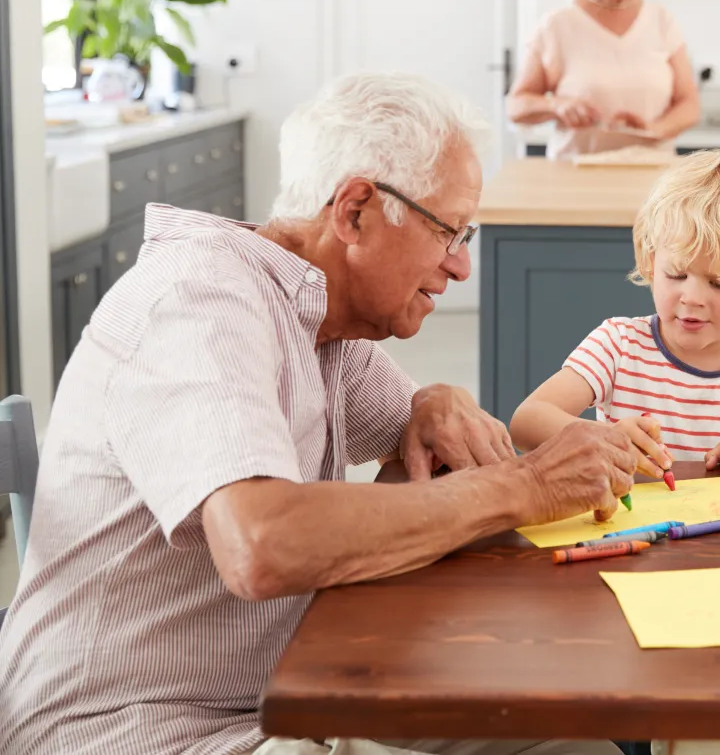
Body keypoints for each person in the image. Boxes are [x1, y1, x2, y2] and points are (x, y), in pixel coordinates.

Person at [0, 73, 630, 755]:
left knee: (570, 730)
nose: (460, 266)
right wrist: (525, 487)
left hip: (283, 693)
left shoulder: (326, 324)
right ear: (355, 209)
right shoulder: (198, 301)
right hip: (135, 729)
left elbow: (434, 460)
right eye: (450, 231)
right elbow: (262, 545)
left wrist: (437, 400)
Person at [511, 149, 720, 479]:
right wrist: (604, 439)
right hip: (630, 527)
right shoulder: (618, 345)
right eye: (677, 275)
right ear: (652, 262)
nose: (692, 298)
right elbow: (526, 422)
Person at [506, 0, 700, 159]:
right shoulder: (557, 26)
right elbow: (516, 106)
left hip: (654, 182)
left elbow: (689, 104)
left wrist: (654, 129)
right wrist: (557, 105)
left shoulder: (661, 21)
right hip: (576, 181)